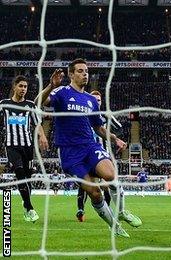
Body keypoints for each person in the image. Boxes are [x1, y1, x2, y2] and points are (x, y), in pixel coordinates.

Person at [37, 59, 141, 237]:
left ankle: (122, 212)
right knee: (94, 192)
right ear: (71, 74)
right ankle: (114, 226)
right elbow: (37, 103)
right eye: (80, 71)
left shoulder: (91, 100)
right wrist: (50, 85)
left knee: (111, 175)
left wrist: (115, 139)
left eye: (86, 71)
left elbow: (98, 128)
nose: (85, 74)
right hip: (70, 152)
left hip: (90, 146)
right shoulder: (61, 92)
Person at [0, 75, 49, 222]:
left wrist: (42, 136)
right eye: (20, 86)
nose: (23, 89)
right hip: (11, 145)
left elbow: (37, 124)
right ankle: (30, 208)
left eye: (25, 87)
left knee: (28, 178)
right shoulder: (4, 104)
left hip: (27, 147)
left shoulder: (30, 106)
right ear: (14, 87)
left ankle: (25, 201)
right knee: (20, 173)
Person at [76, 90, 115, 222]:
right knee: (85, 184)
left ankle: (108, 209)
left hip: (102, 156)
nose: (96, 102)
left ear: (101, 102)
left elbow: (118, 128)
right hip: (86, 155)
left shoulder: (104, 117)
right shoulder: (83, 115)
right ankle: (80, 209)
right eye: (94, 99)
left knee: (105, 185)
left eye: (98, 100)